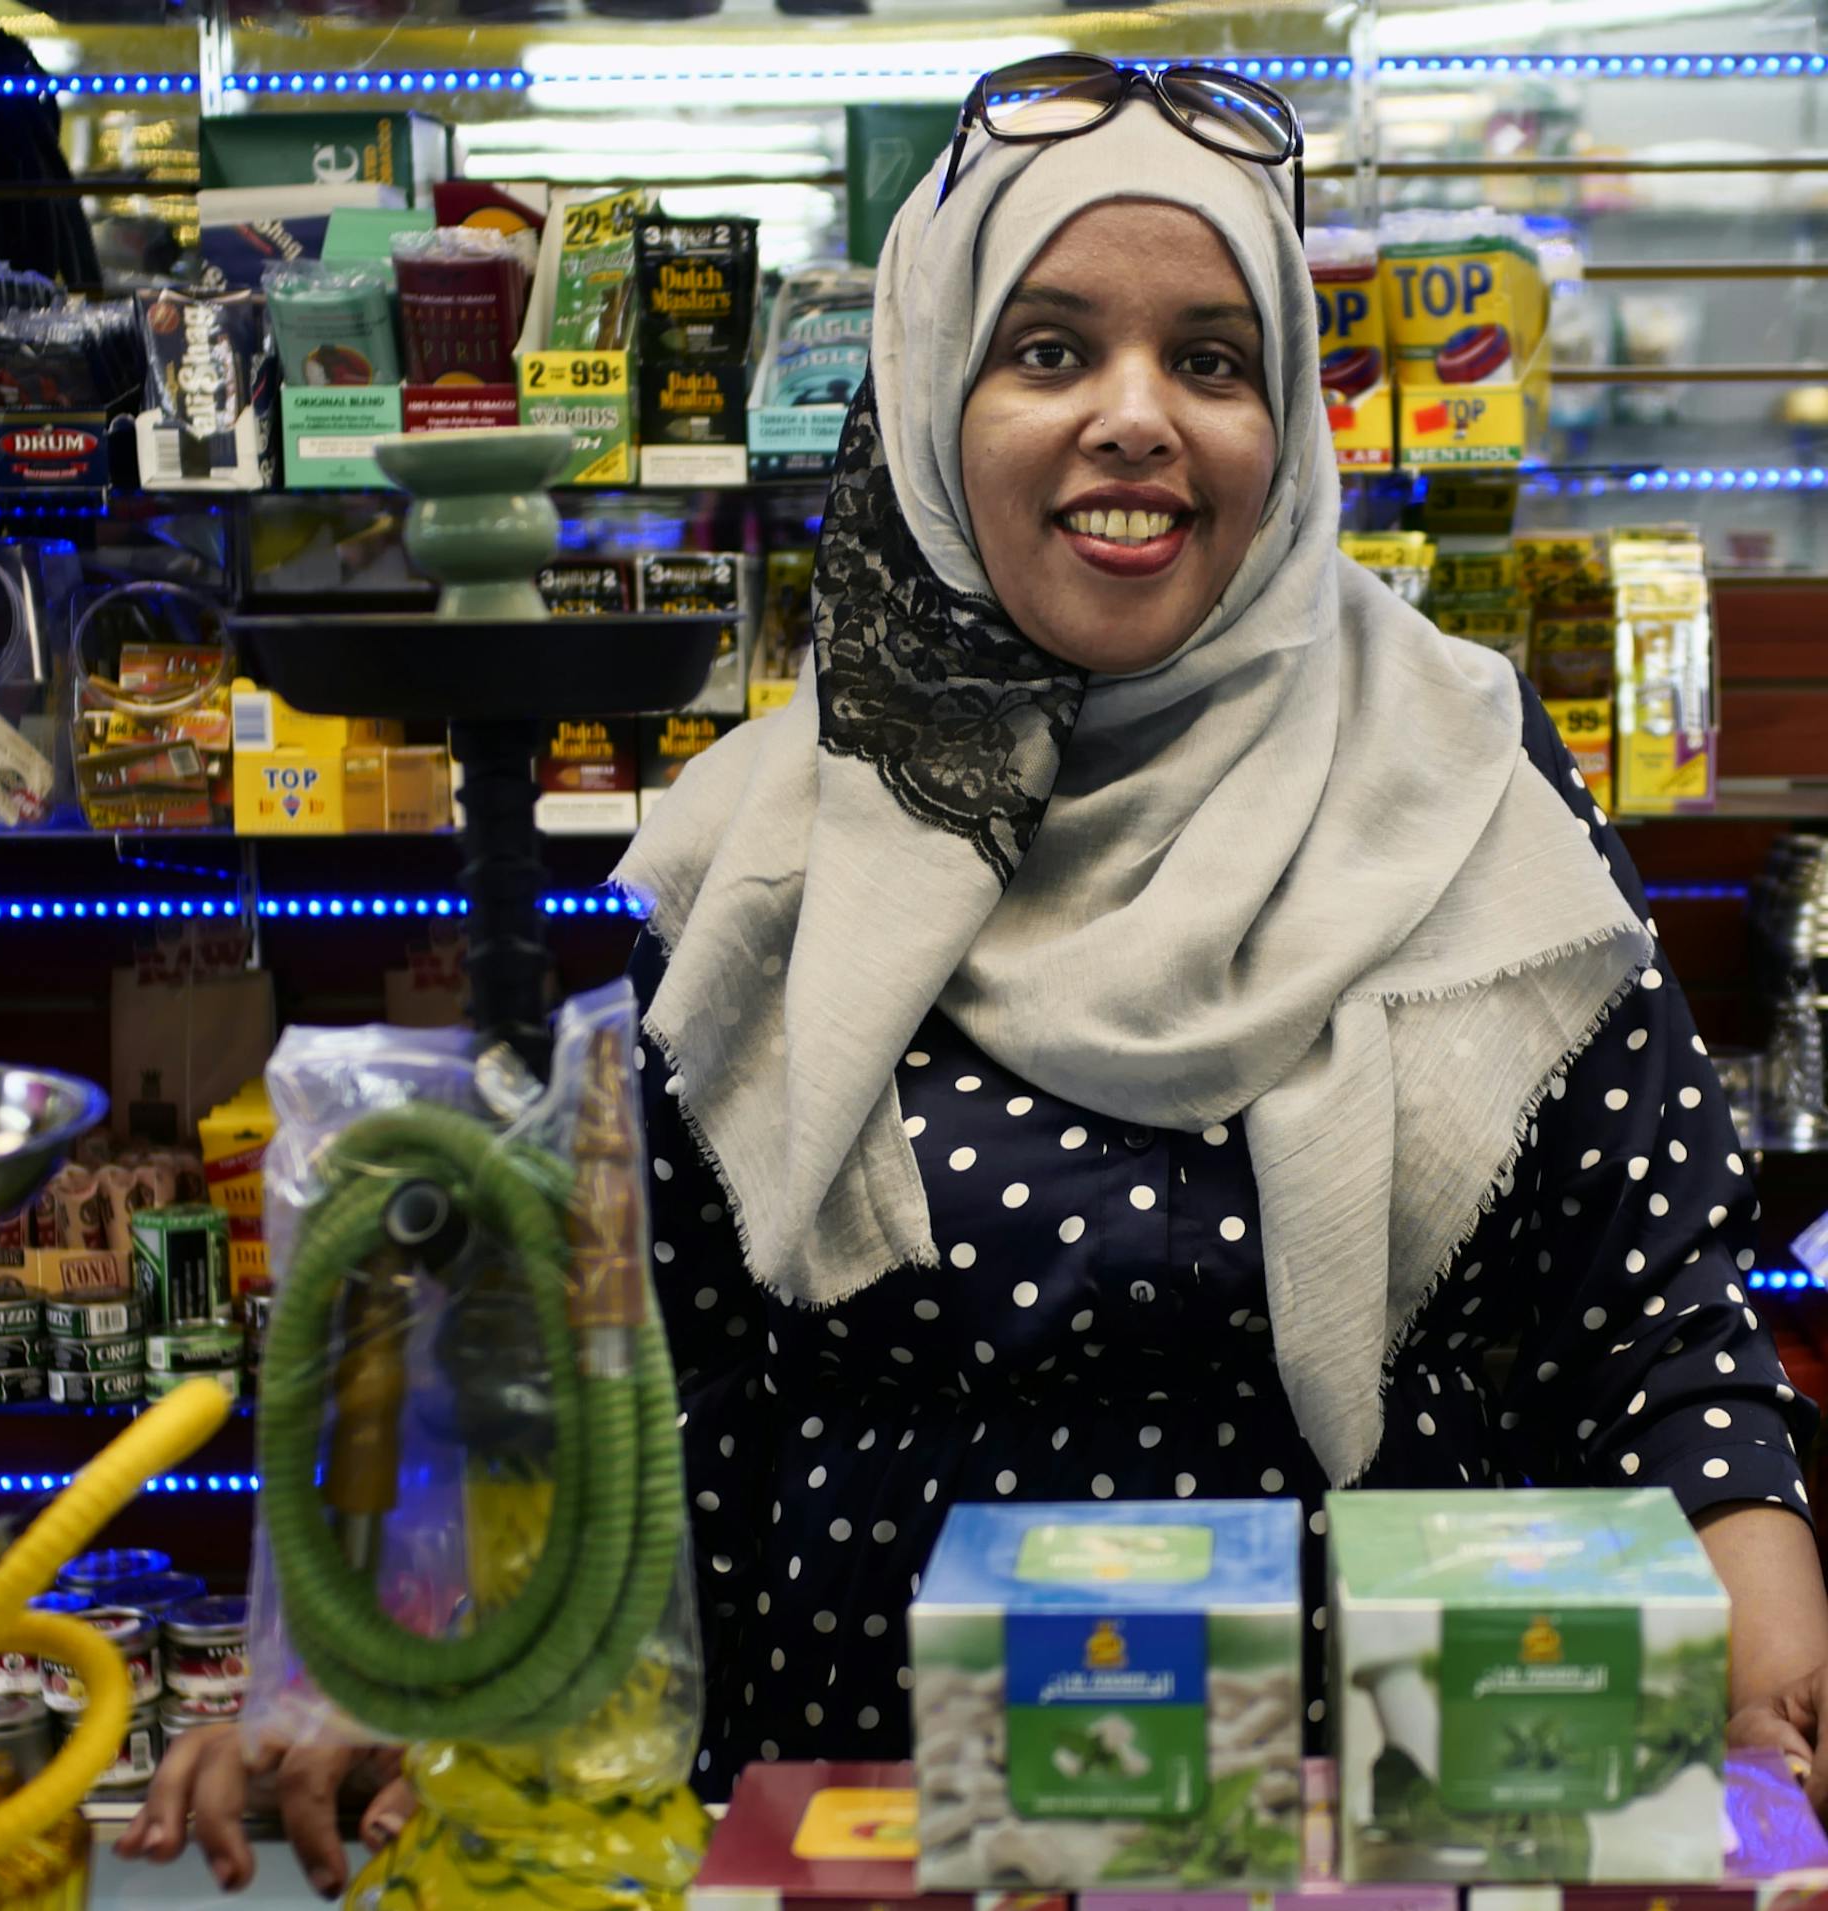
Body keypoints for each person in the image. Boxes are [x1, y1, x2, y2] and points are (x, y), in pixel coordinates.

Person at [122, 65, 1828, 1893]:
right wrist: (414, 1658)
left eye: (1214, 359)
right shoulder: (765, 855)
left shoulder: (1470, 790)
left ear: (1290, 426)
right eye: (1047, 351)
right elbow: (644, 1393)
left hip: (1376, 1800)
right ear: (936, 398)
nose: (1136, 420)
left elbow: (1651, 1323)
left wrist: (1764, 1656)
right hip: (861, 1802)